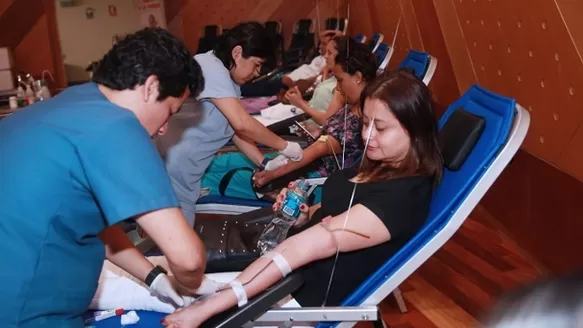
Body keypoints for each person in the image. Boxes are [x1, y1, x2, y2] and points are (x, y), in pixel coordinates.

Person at [87, 70, 444, 327]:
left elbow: (300, 251)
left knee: (118, 282)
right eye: (365, 123)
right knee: (112, 274)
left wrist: (209, 307)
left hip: (290, 296)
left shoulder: (403, 197)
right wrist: (306, 213)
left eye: (380, 128)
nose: (367, 136)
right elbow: (332, 217)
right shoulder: (382, 168)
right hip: (277, 271)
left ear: (415, 131)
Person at [0, 28, 207, 327]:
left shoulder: (68, 104)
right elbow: (188, 259)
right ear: (151, 87)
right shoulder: (117, 128)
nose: (164, 129)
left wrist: (154, 278)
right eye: (170, 112)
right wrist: (195, 286)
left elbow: (85, 221)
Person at [156, 22, 303, 227]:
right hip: (167, 173)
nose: (257, 73)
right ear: (237, 52)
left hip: (185, 177)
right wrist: (285, 146)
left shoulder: (230, 83)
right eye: (256, 64)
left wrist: (264, 163)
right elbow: (241, 123)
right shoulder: (209, 67)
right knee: (177, 250)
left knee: (177, 248)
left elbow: (234, 131)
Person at [198, 39, 376, 202]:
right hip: (303, 163)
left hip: (309, 181)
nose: (337, 87)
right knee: (228, 160)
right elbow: (325, 137)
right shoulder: (351, 106)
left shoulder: (360, 121)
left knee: (222, 177)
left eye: (340, 80)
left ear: (358, 77)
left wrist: (273, 174)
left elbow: (317, 150)